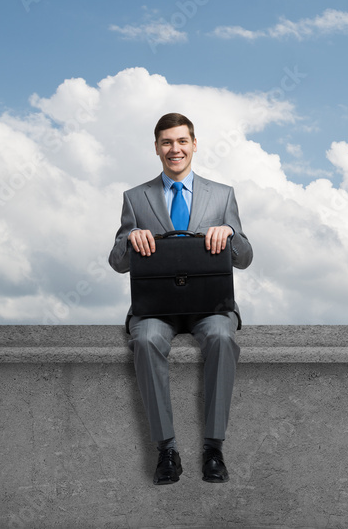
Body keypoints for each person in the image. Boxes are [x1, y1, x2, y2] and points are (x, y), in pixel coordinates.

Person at [108, 112, 253, 485]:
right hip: (157, 308)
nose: (175, 149)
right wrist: (130, 238)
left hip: (211, 306)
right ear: (157, 148)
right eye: (167, 142)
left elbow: (246, 257)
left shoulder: (222, 196)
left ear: (194, 144)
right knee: (143, 339)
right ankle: (167, 449)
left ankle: (213, 447)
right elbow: (117, 263)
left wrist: (230, 234)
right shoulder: (135, 198)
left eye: (182, 141)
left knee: (222, 338)